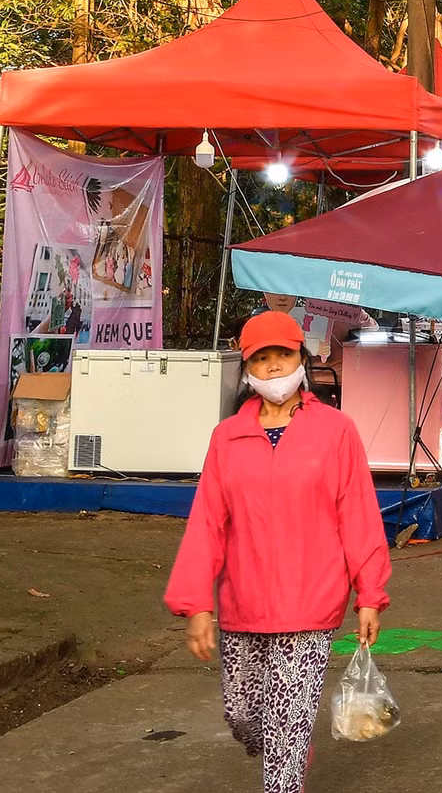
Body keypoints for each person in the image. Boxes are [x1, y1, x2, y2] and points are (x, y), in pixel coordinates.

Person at [164, 311, 389, 793]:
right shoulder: (227, 438)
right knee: (244, 716)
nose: (272, 368)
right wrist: (196, 604)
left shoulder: (336, 431)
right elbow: (207, 522)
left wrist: (369, 592)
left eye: (282, 356)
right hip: (243, 603)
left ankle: (288, 758)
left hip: (311, 602)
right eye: (261, 359)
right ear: (247, 369)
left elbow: (359, 514)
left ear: (301, 359)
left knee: (287, 722)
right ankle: (290, 743)